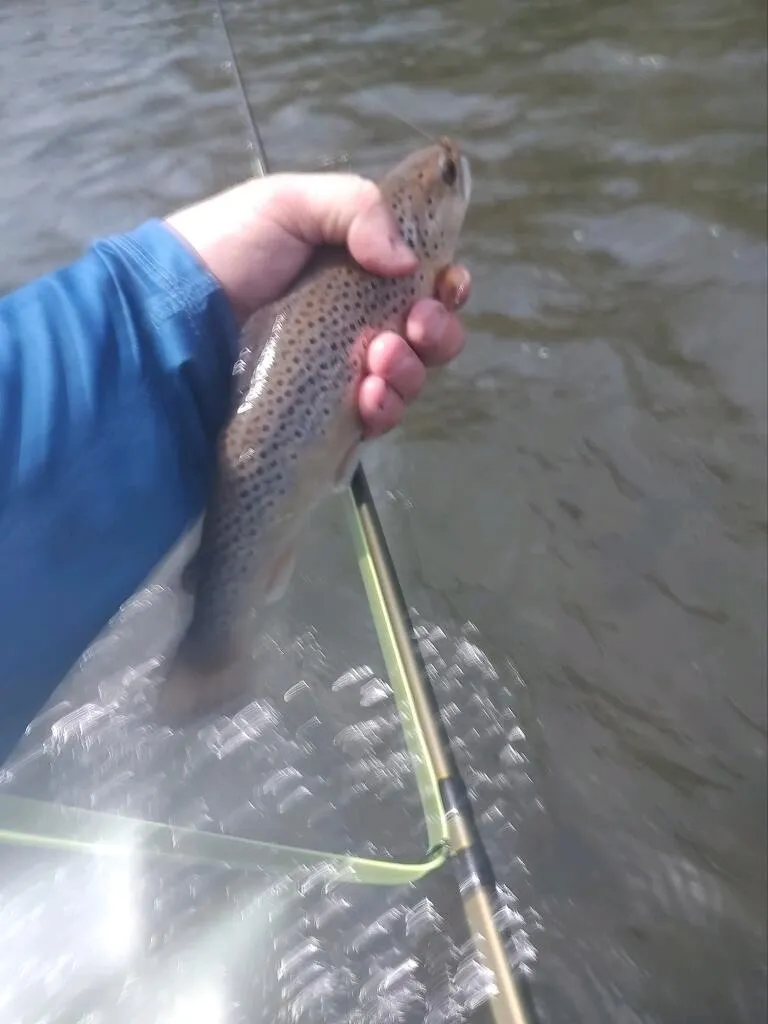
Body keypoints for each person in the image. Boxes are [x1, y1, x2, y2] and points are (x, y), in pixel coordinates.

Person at [0, 171, 471, 761]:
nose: (455, 177)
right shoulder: (415, 261)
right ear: (419, 226)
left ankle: (210, 645)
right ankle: (212, 649)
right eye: (447, 181)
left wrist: (192, 303)